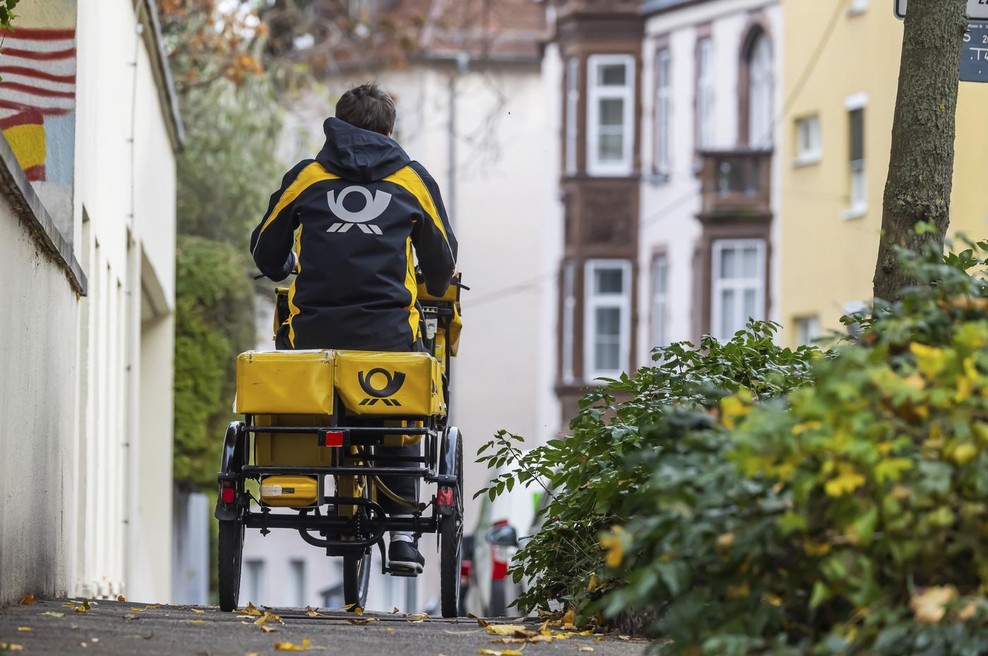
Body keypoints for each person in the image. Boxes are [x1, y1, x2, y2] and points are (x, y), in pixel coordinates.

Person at [250, 82, 458, 574]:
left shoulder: (307, 177)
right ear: (390, 130)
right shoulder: (412, 181)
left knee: (304, 369)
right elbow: (442, 265)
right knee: (406, 412)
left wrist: (291, 262)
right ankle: (404, 534)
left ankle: (293, 481)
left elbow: (266, 253)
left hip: (312, 343)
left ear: (336, 125)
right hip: (388, 342)